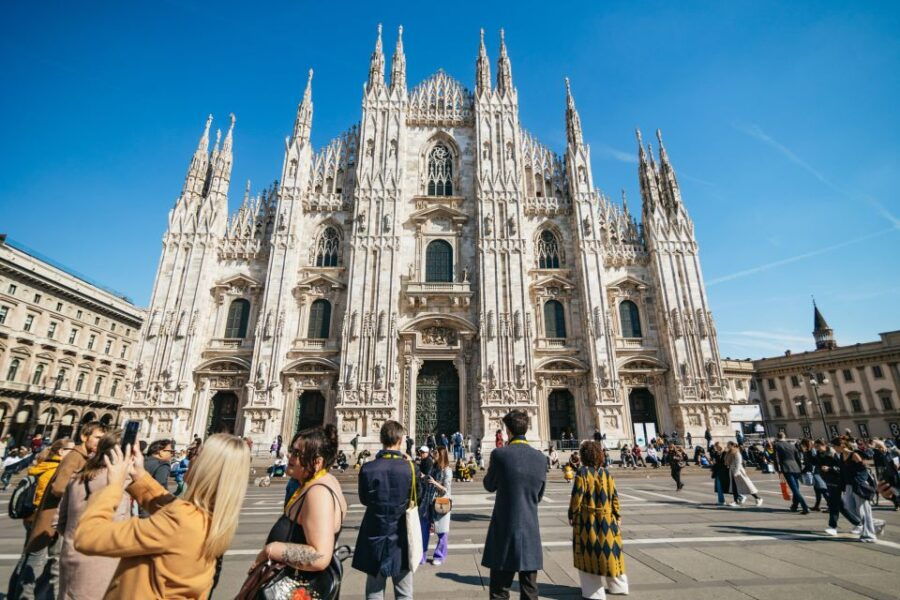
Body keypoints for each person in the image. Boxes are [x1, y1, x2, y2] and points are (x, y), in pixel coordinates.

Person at [73, 433, 250, 598]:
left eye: (195, 454)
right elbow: (174, 509)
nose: (188, 457)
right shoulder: (212, 518)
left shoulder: (182, 520)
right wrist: (139, 475)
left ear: (206, 468)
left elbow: (87, 537)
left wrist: (113, 486)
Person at [249, 425, 347, 590]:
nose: (289, 456)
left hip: (298, 589)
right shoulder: (318, 483)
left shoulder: (318, 492)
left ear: (317, 462)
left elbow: (319, 556)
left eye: (296, 453)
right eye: (291, 450)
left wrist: (270, 550)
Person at [15, 423, 105, 600]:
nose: (100, 442)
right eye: (97, 438)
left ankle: (37, 596)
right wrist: (82, 492)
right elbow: (58, 488)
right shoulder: (75, 457)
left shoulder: (85, 457)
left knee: (53, 563)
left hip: (60, 519)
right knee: (37, 562)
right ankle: (23, 596)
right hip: (51, 518)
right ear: (84, 437)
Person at [56, 432, 132, 600]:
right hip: (103, 563)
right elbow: (120, 527)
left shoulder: (76, 478)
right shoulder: (120, 485)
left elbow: (60, 523)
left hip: (71, 555)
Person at [482, 410, 546, 600]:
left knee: (500, 591)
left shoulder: (500, 454)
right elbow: (539, 495)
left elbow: (489, 485)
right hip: (530, 531)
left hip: (504, 531)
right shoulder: (541, 458)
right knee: (529, 590)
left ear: (508, 431)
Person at [353, 421, 418, 600]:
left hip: (375, 534)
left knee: (374, 590)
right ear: (401, 440)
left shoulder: (368, 468)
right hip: (402, 537)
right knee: (404, 592)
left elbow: (364, 499)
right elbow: (416, 499)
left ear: (381, 439)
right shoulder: (411, 469)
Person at [7, 439, 75, 599]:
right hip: (45, 521)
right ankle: (27, 596)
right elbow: (45, 499)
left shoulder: (42, 466)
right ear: (61, 451)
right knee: (38, 564)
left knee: (26, 560)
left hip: (33, 519)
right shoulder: (55, 470)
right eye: (71, 451)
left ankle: (14, 594)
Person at [568, 440, 627, 599]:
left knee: (589, 553)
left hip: (589, 522)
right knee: (611, 552)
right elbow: (614, 496)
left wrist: (572, 514)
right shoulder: (606, 473)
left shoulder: (582, 472)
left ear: (583, 456)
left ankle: (594, 593)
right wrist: (617, 516)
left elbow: (577, 497)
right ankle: (619, 586)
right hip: (608, 519)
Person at [836, 438, 885, 542]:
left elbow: (865, 468)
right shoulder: (841, 456)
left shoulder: (854, 454)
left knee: (863, 511)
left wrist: (860, 481)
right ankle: (877, 523)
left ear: (841, 445)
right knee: (849, 508)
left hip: (859, 485)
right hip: (849, 485)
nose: (834, 448)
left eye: (835, 446)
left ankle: (869, 535)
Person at [816, 438, 860, 535]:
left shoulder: (833, 454)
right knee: (840, 506)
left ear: (824, 445)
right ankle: (858, 523)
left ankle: (833, 526)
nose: (817, 448)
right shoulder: (820, 454)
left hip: (836, 481)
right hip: (829, 480)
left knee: (833, 504)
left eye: (818, 446)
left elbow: (840, 468)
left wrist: (830, 469)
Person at [421, 446, 452, 565]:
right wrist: (423, 478)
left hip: (441, 503)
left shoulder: (447, 470)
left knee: (442, 531)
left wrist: (434, 483)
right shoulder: (433, 468)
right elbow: (427, 480)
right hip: (428, 501)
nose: (433, 455)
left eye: (436, 453)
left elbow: (446, 490)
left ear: (441, 455)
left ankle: (439, 555)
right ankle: (421, 556)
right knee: (424, 529)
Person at [773, 432, 809, 514]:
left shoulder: (777, 445)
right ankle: (795, 506)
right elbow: (798, 457)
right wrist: (799, 468)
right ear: (784, 436)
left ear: (777, 437)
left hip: (786, 468)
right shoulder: (791, 445)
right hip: (795, 467)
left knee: (795, 489)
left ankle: (805, 507)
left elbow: (776, 458)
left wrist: (777, 469)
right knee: (796, 487)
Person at [725, 441, 763, 506]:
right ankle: (736, 501)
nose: (727, 446)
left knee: (747, 485)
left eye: (728, 445)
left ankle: (758, 498)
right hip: (732, 471)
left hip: (739, 472)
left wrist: (736, 472)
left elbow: (738, 463)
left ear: (732, 445)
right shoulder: (729, 453)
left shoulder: (736, 452)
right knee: (734, 487)